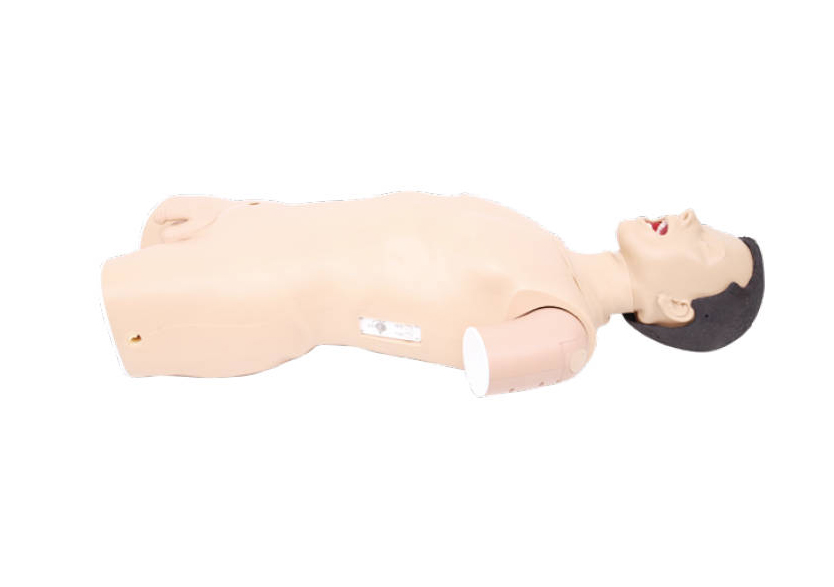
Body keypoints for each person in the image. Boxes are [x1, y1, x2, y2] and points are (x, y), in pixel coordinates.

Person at [102, 192, 763, 396]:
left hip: (259, 292)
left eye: (706, 245)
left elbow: (484, 360)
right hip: (261, 230)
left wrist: (552, 349)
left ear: (675, 307)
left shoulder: (565, 330)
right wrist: (248, 214)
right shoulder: (543, 241)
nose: (690, 216)